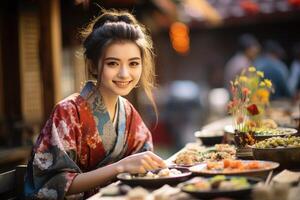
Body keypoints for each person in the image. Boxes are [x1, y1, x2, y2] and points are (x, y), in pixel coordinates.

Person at [24, 9, 166, 199]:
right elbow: (50, 184)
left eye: (133, 64)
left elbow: (146, 162)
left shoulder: (129, 113)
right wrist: (120, 167)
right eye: (113, 63)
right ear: (92, 65)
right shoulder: (68, 112)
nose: (125, 74)